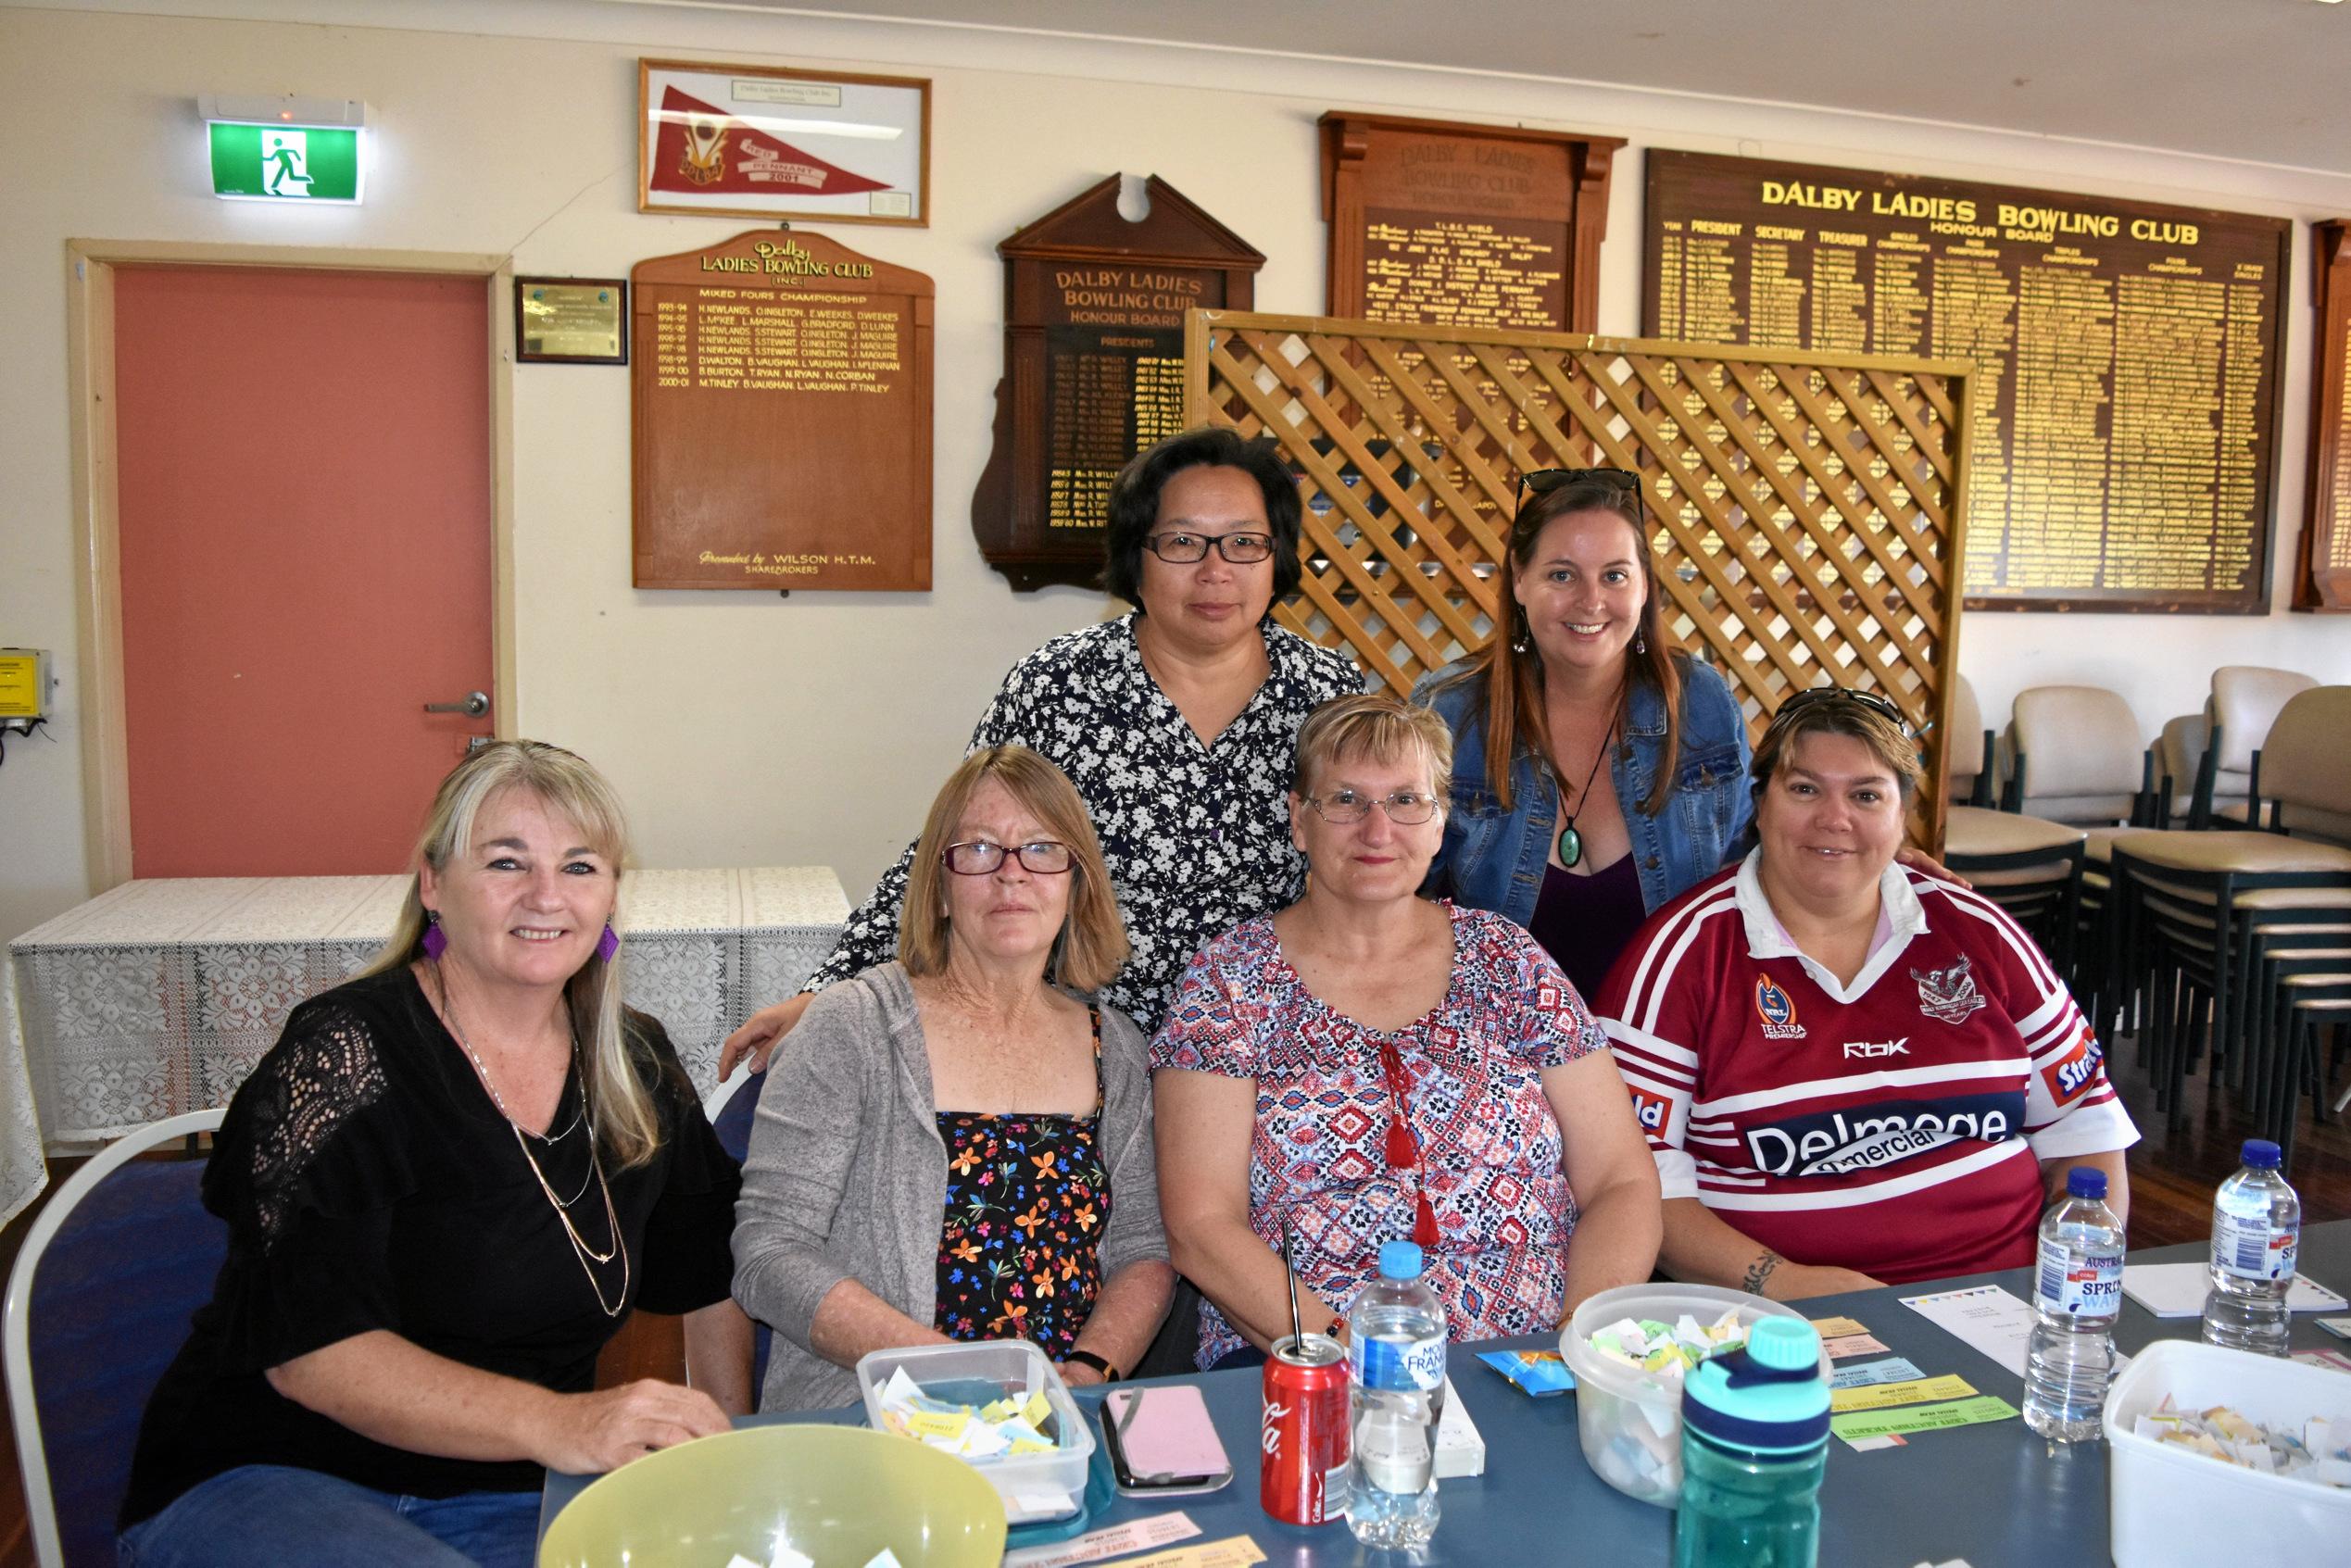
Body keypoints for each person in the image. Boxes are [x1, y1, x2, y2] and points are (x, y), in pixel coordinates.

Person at [119, 742, 749, 1568]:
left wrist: (731, 1460)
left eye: (580, 866)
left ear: (611, 895)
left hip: (515, 1491)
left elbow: (711, 1273)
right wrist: (565, 1422)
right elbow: (310, 1353)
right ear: (432, 885)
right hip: (279, 1474)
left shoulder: (634, 1062)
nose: (546, 896)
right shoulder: (346, 1055)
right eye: (505, 862)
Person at [717, 424, 1361, 1076]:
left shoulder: (1331, 698)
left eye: (1245, 543)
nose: (1216, 569)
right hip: (1075, 1047)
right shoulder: (1059, 685)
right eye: (1183, 542)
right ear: (1136, 558)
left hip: (1266, 1046)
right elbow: (952, 850)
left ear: (1276, 558)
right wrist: (824, 991)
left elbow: (1377, 866)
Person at [1151, 693, 1662, 1368]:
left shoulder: (1506, 958)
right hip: (1308, 1360)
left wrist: (1574, 1342)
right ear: (1298, 819)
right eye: (1345, 800)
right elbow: (1201, 1227)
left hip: (1533, 1358)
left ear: (1440, 820)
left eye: (1405, 801)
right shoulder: (1229, 981)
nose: (1377, 829)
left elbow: (1621, 1181)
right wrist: (1358, 1357)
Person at [1595, 689, 2137, 1298]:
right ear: (1760, 805)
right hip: (1784, 1323)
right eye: (1804, 789)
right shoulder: (1678, 957)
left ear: (1903, 814)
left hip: (2006, 1301)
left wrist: (2070, 1284)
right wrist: (1785, 1282)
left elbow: (2088, 1135)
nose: (1835, 818)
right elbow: (1636, 1185)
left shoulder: (1983, 932)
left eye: (1866, 794)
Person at [733, 746, 1174, 1411]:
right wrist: (957, 1373)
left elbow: (1143, 1250)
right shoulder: (852, 1025)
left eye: (1042, 849)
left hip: (1057, 1423)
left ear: (1076, 883)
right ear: (937, 886)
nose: (1012, 875)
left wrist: (1082, 1378)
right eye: (978, 850)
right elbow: (767, 1253)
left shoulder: (1114, 1046)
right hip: (871, 1419)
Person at [1414, 467, 1754, 1003]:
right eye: (1562, 575)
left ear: (1644, 586)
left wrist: (1882, 865)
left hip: (1668, 1050)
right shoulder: (1453, 713)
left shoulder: (1699, 705)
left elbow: (1759, 865)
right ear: (1520, 580)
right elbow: (1401, 891)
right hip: (1501, 1055)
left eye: (1614, 575)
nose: (1591, 601)